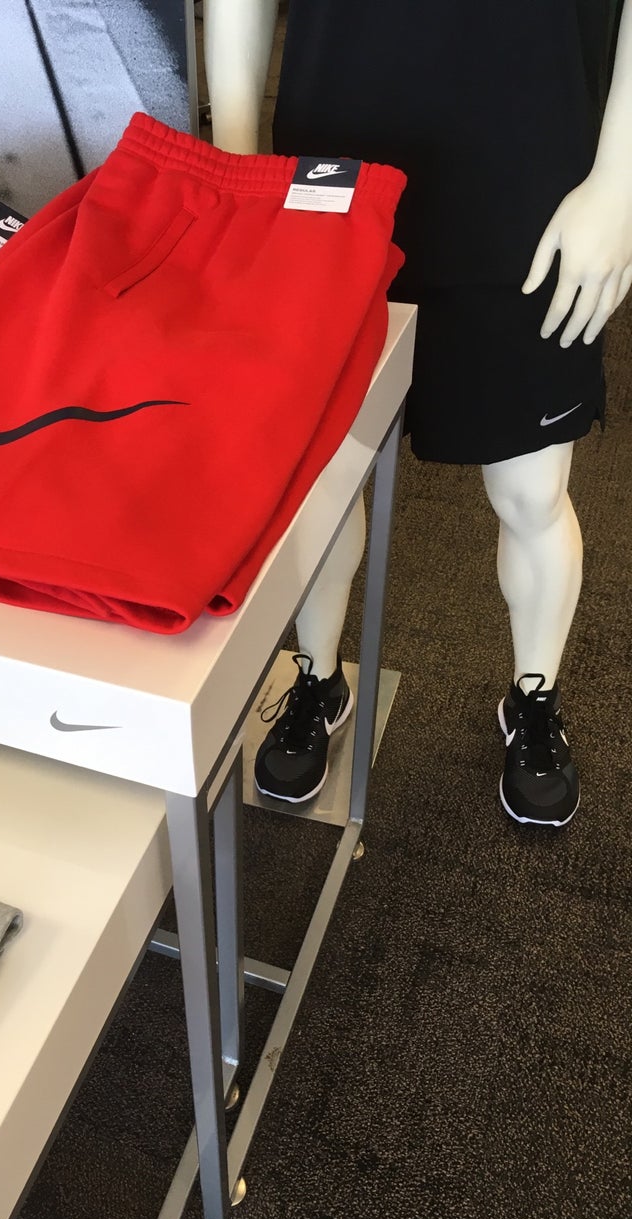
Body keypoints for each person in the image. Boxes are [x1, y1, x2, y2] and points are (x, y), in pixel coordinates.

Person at [204, 0, 632, 826]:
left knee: (533, 493)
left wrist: (621, 181)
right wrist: (239, 165)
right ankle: (317, 677)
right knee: (322, 483)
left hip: (535, 174)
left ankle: (534, 696)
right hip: (336, 165)